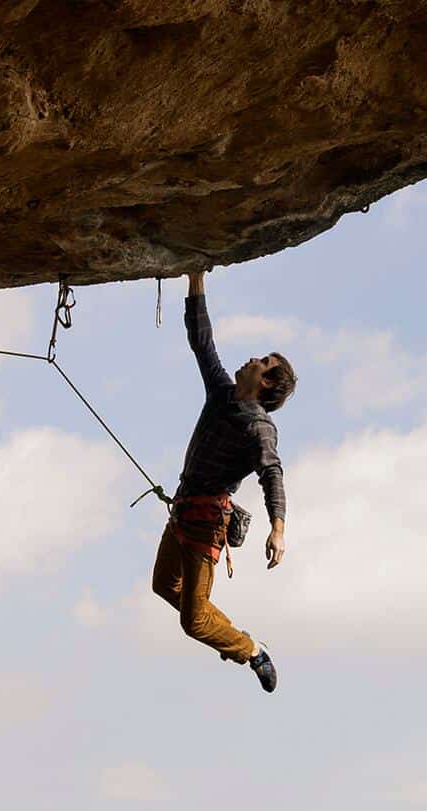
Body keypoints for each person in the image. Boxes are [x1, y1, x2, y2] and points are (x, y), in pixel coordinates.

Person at [150, 268, 296, 692]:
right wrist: (196, 279)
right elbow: (203, 344)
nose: (253, 359)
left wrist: (278, 529)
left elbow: (272, 473)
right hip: (183, 508)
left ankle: (251, 650)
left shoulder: (260, 428)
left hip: (206, 522)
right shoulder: (222, 392)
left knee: (193, 621)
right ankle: (227, 633)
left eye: (263, 363)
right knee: (164, 586)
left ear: (266, 383)